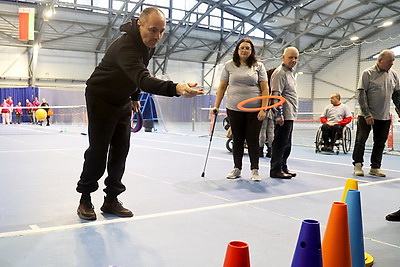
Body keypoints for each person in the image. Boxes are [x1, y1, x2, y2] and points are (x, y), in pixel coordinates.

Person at [76, 7, 203, 221]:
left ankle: (111, 200)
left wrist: (134, 96)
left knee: (121, 150)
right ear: (139, 24)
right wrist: (176, 88)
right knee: (98, 150)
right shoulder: (126, 46)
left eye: (162, 31)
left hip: (123, 100)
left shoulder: (147, 45)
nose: (157, 37)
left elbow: (137, 75)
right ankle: (85, 199)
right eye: (153, 30)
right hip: (101, 98)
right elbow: (143, 78)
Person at [212, 38, 269, 181]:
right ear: (237, 50)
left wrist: (263, 109)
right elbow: (222, 86)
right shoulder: (229, 66)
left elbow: (264, 88)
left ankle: (254, 170)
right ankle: (237, 168)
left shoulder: (258, 66)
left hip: (254, 110)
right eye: (242, 48)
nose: (244, 50)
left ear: (251, 51)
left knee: (253, 140)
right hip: (234, 108)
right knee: (237, 139)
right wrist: (216, 105)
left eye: (247, 48)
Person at [353, 49, 400, 177]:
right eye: (390, 60)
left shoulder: (394, 75)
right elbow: (361, 95)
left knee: (380, 142)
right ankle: (357, 165)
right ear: (380, 60)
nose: (392, 63)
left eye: (393, 61)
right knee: (360, 140)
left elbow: (397, 96)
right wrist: (367, 114)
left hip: (384, 116)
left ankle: (375, 167)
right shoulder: (367, 73)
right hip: (366, 116)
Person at [269, 47, 299, 179]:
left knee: (287, 144)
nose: (293, 60)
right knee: (280, 143)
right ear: (283, 57)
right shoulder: (279, 73)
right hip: (283, 116)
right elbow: (276, 95)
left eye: (296, 58)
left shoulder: (290, 73)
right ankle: (275, 169)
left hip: (290, 114)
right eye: (290, 57)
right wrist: (278, 115)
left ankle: (283, 166)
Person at [259, 67, 276, 158]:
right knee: (270, 130)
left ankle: (260, 150)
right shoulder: (275, 85)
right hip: (272, 110)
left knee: (262, 130)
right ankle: (270, 151)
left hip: (264, 109)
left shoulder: (265, 86)